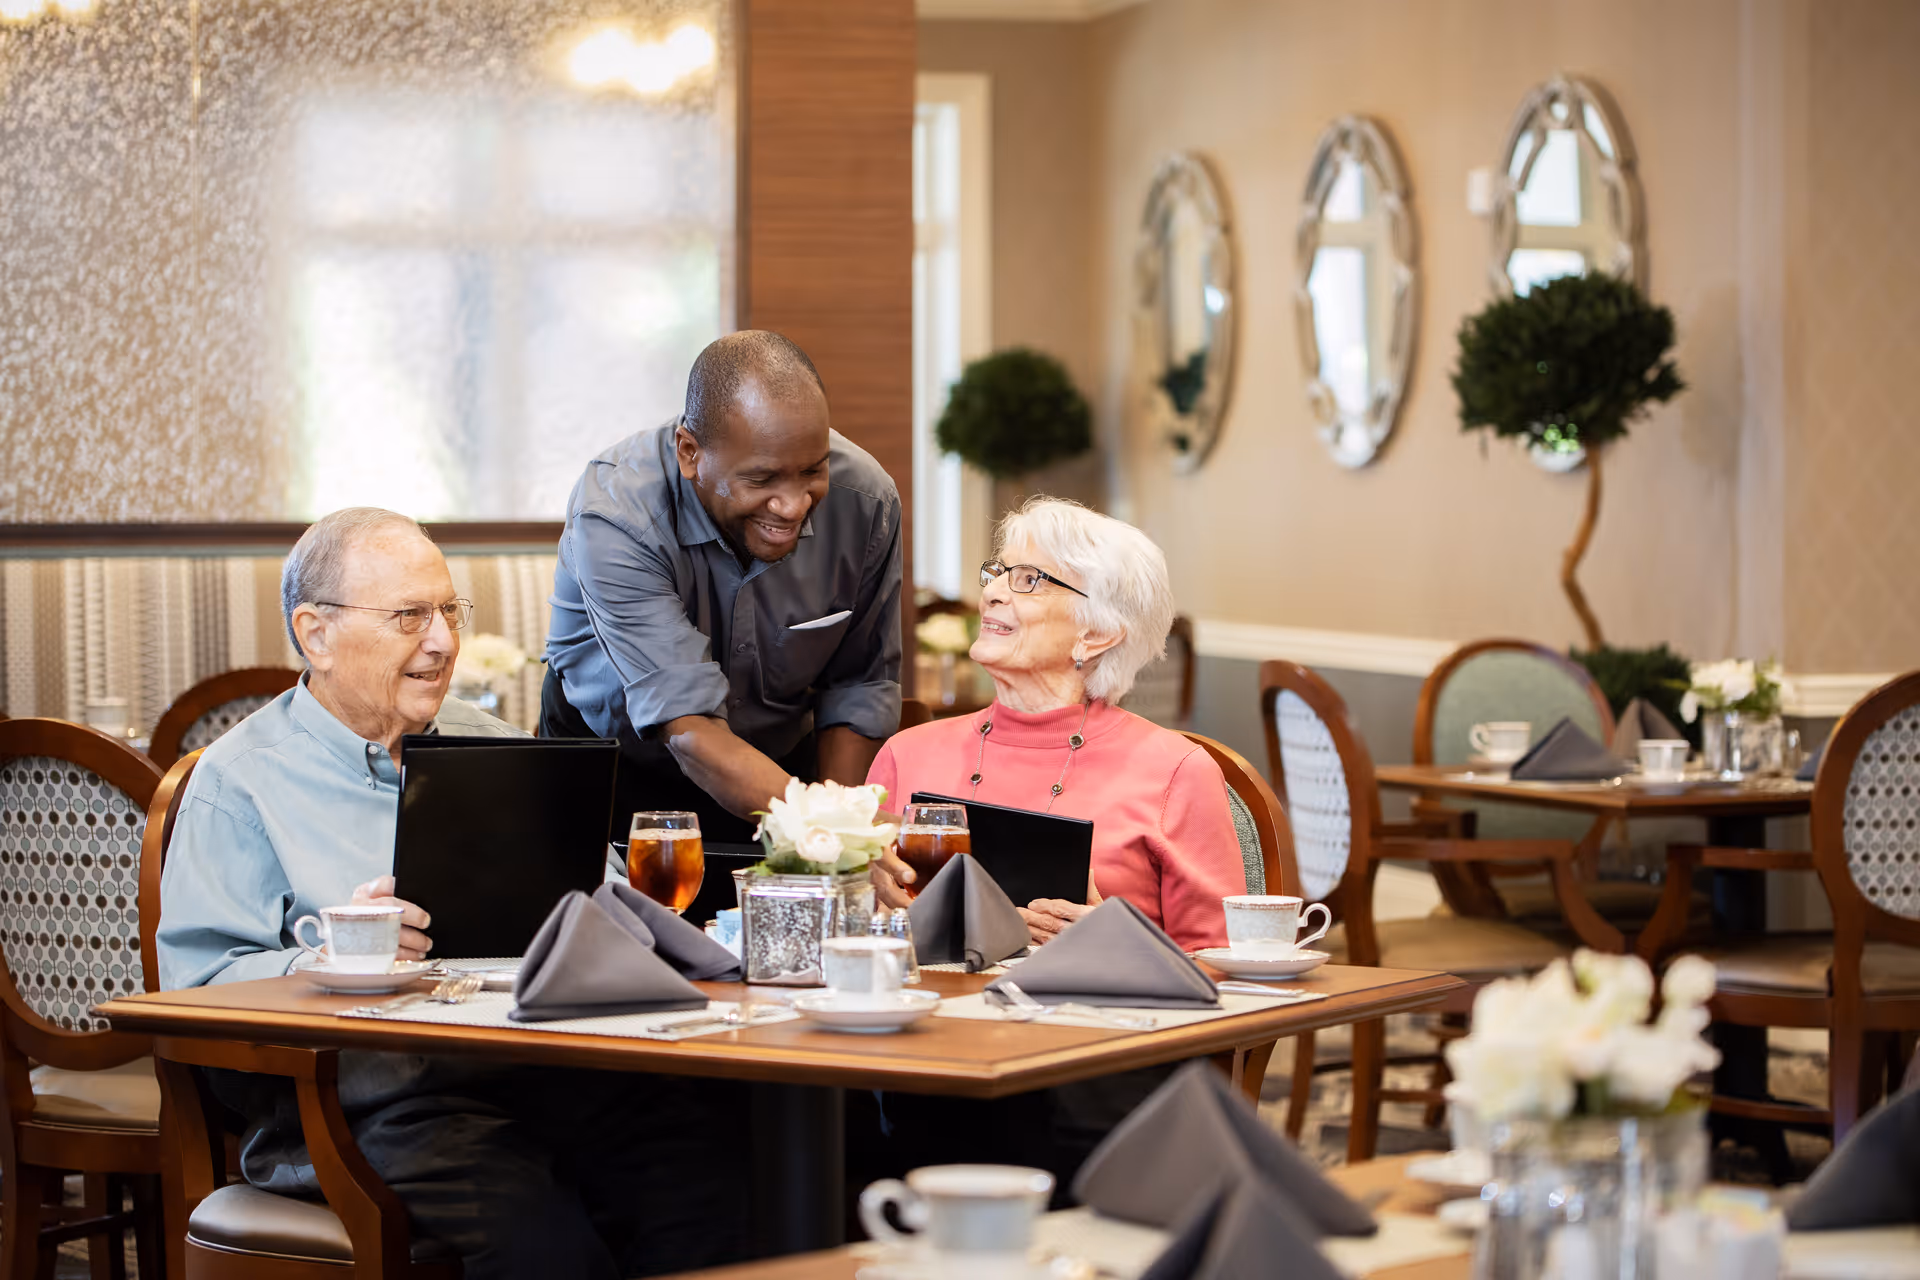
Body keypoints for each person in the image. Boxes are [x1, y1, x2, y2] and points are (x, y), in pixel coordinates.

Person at [157, 508, 745, 1280]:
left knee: (713, 1183)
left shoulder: (496, 748)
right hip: (367, 1110)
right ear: (316, 633)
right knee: (543, 1245)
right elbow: (193, 1000)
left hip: (545, 1073)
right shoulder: (238, 783)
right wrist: (327, 960)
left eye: (447, 611)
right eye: (408, 616)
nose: (441, 642)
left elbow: (605, 905)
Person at [541, 330, 904, 853]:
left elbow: (859, 688)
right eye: (762, 480)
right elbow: (687, 724)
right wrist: (829, 832)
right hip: (614, 761)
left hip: (777, 771)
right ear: (690, 452)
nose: (793, 504)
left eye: (812, 471)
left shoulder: (866, 500)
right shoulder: (617, 513)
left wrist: (838, 843)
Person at [868, 497, 1243, 951]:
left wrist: (1119, 944)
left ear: (1096, 633)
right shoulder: (905, 754)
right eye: (999, 573)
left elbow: (1222, 968)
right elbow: (856, 929)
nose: (991, 593)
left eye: (1028, 579)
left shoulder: (1177, 773)